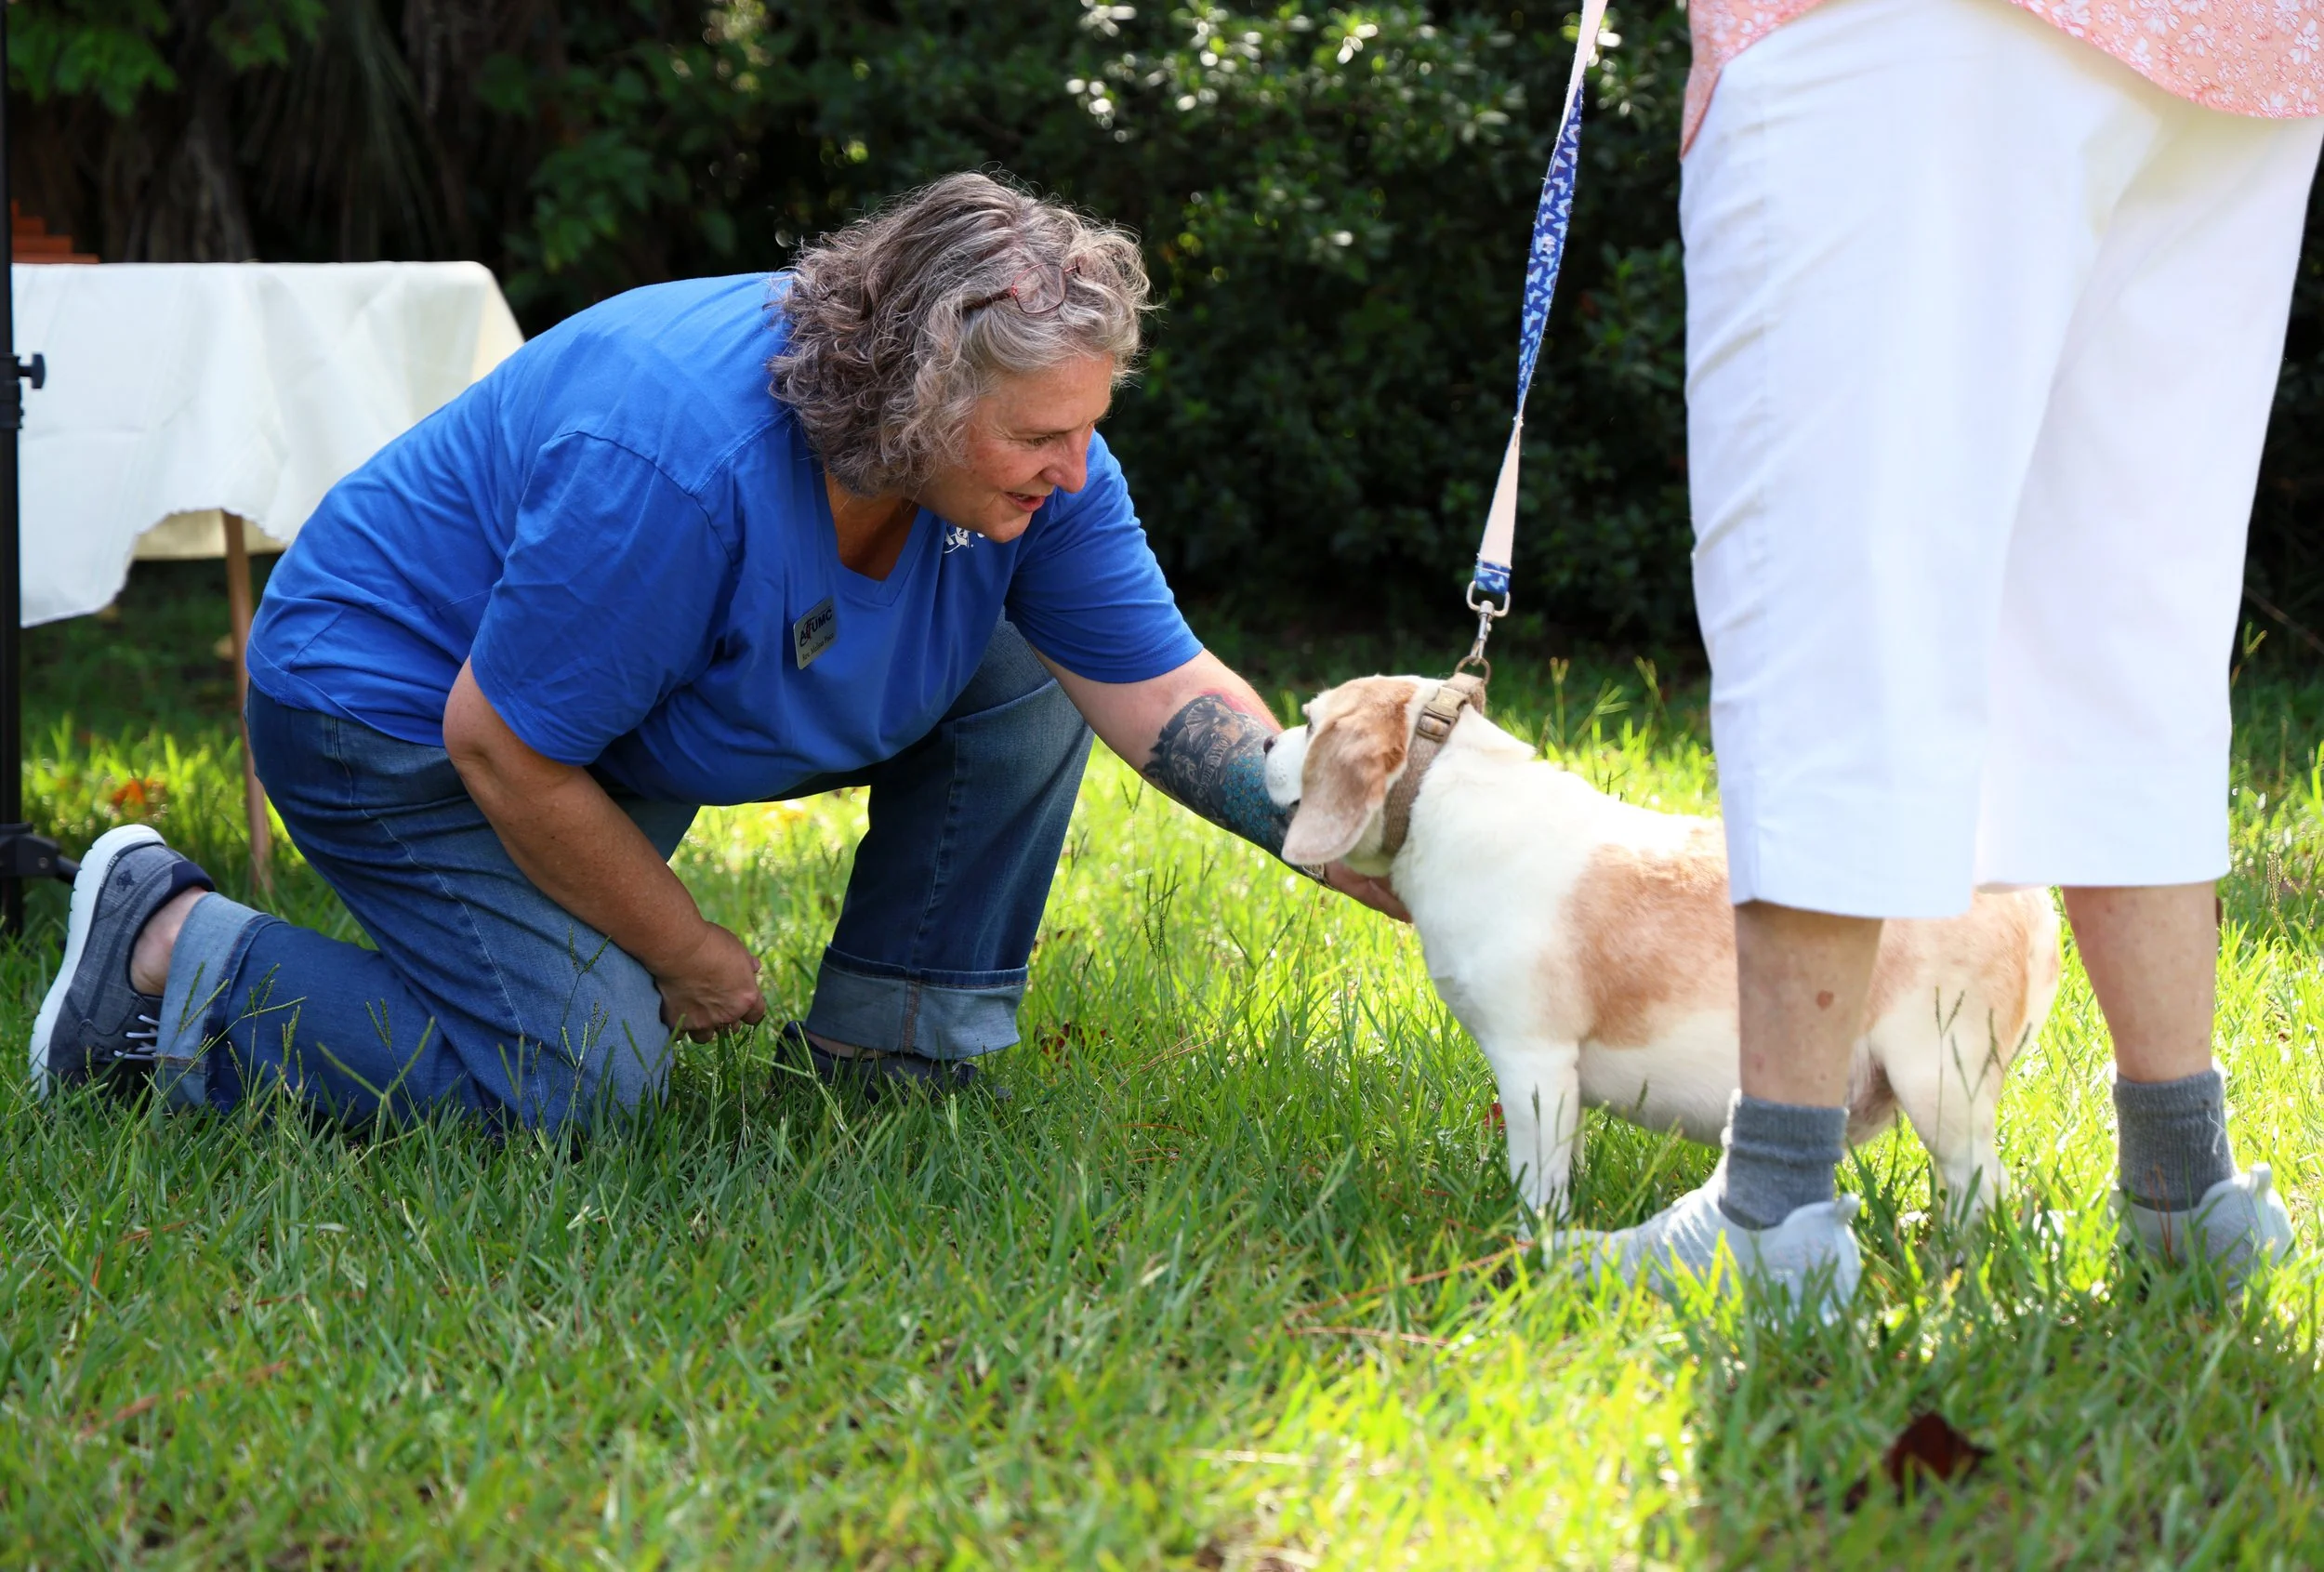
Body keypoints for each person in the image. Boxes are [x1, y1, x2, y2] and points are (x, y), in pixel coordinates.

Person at [30, 172, 1401, 1129]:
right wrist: (685, 951)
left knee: (1027, 662)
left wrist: (1378, 846)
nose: (1077, 468)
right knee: (587, 1081)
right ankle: (166, 949)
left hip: (581, 715)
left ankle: (896, 1058)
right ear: (918, 395)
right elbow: (500, 744)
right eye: (1042, 436)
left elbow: (1164, 693)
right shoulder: (674, 458)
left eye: (1087, 425)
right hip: (390, 720)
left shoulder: (1030, 478)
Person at [1561, 0, 2322, 1300]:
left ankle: (1775, 1210)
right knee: (2135, 599)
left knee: (1837, 567)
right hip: (2247, 44)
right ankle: (2188, 1196)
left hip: (1905, 32)